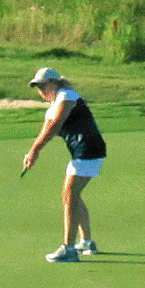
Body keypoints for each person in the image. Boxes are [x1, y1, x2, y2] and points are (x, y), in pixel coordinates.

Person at [17, 67, 108, 259]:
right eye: (38, 88)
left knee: (69, 195)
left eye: (44, 86)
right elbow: (45, 130)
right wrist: (32, 153)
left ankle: (68, 248)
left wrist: (35, 150)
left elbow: (56, 125)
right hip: (83, 152)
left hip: (89, 150)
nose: (41, 91)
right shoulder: (53, 107)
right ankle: (86, 242)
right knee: (72, 194)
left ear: (55, 83)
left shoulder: (67, 95)